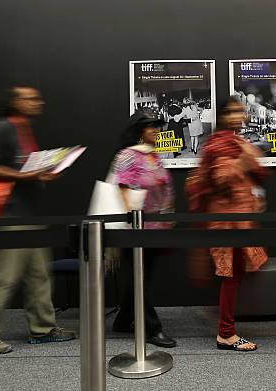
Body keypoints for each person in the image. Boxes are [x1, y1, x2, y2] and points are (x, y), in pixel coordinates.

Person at [0, 86, 75, 354]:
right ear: (14, 102)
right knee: (3, 278)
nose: (37, 102)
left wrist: (42, 174)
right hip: (10, 216)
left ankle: (42, 329)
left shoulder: (23, 129)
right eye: (30, 98)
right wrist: (25, 177)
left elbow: (24, 168)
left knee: (39, 275)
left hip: (30, 215)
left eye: (37, 97)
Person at [186, 96, 269, 352]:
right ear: (221, 116)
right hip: (227, 221)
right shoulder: (219, 144)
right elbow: (220, 180)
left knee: (237, 275)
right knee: (231, 276)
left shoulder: (236, 141)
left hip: (240, 219)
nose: (237, 116)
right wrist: (243, 162)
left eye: (240, 111)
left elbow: (256, 174)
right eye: (231, 112)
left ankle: (224, 320)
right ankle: (226, 333)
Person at [109, 110, 177, 348]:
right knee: (140, 278)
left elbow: (163, 188)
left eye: (157, 127)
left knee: (142, 277)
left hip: (155, 227)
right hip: (135, 227)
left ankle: (123, 319)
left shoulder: (153, 156)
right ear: (139, 131)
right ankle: (152, 328)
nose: (157, 131)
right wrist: (133, 224)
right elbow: (124, 187)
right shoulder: (128, 155)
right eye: (151, 127)